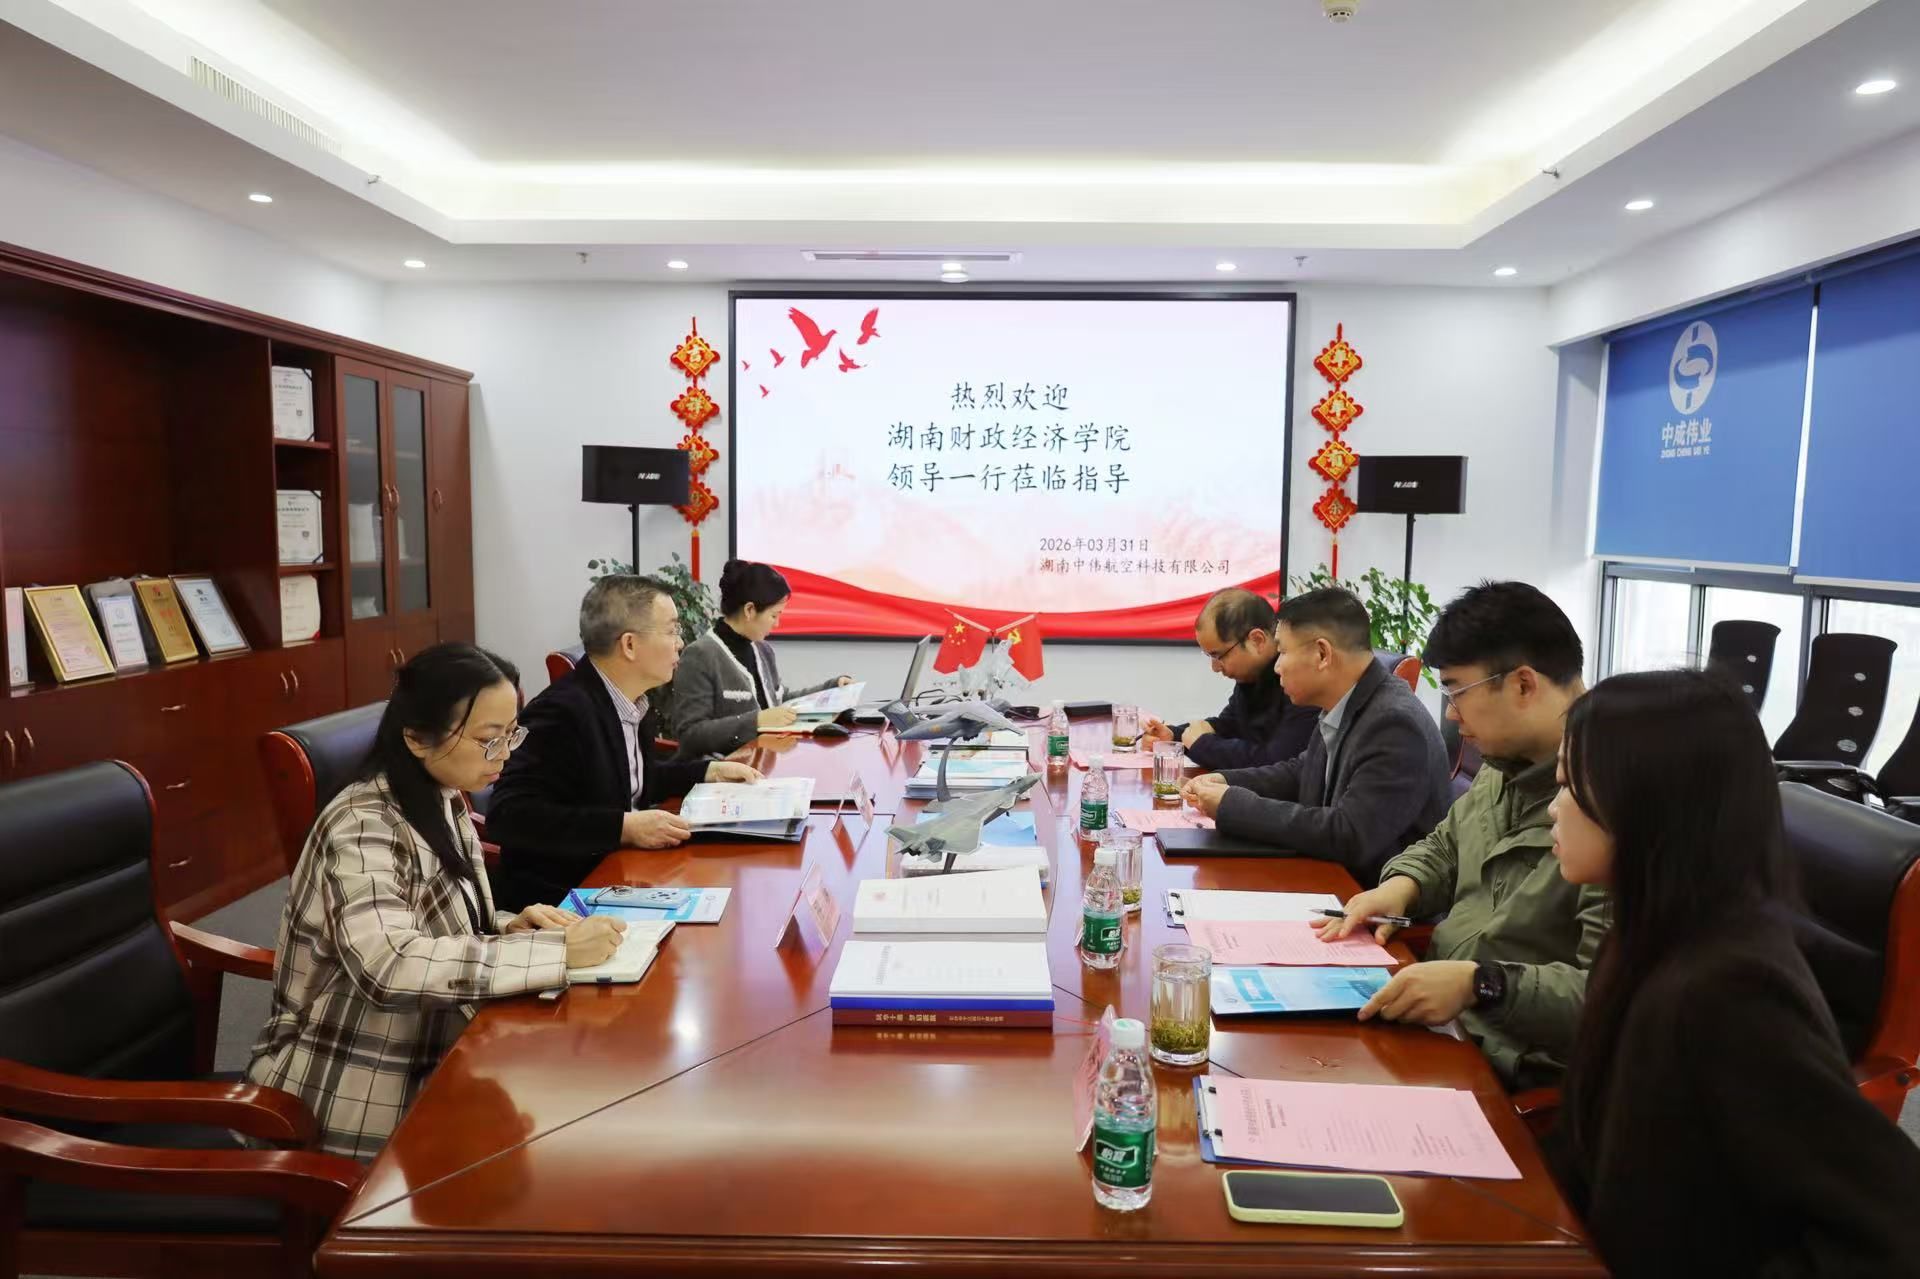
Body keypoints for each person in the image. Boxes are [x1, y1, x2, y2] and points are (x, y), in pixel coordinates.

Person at [1544, 668, 1920, 1276]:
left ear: (1644, 800)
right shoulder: (1644, 936)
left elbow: (1895, 1228)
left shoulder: (1729, 993)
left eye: (1567, 784)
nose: (1553, 807)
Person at [245, 643, 628, 1159]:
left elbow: (439, 921)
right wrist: (555, 952)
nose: (506, 754)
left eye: (511, 734)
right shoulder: (361, 825)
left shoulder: (442, 797)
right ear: (417, 738)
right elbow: (389, 964)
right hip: (353, 1083)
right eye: (489, 740)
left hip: (434, 1046)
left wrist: (507, 926)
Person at [1317, 581, 1605, 1091]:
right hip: (1439, 1021)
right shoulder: (1504, 762)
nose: (1450, 713)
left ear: (1522, 685)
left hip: (1503, 1063)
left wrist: (1482, 985)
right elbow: (1446, 844)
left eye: (1456, 691)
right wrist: (1400, 887)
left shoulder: (1611, 799)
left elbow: (1608, 999)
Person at [487, 576, 762, 911]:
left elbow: (632, 778)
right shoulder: (562, 711)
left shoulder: (631, 699)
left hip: (622, 873)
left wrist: (708, 771)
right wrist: (623, 827)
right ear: (629, 645)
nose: (680, 643)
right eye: (672, 630)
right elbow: (509, 815)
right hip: (565, 897)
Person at [1180, 587, 1450, 883]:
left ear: (1322, 654)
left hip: (1367, 896)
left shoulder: (1394, 723)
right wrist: (1225, 780)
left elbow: (1349, 834)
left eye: (1283, 652)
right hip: (1331, 878)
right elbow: (1302, 772)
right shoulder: (1346, 701)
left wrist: (1233, 805)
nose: (1277, 666)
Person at [670, 559, 852, 759]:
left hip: (764, 764)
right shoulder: (700, 655)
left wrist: (831, 688)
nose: (777, 624)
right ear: (749, 610)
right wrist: (757, 721)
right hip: (724, 772)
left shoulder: (762, 650)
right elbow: (691, 735)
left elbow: (778, 702)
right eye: (774, 616)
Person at [1139, 588, 1319, 770]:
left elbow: (1276, 763)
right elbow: (1230, 726)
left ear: (1257, 640)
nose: (1215, 667)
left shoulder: (1300, 678)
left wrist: (1202, 744)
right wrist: (1174, 736)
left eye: (1219, 656)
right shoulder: (1252, 676)